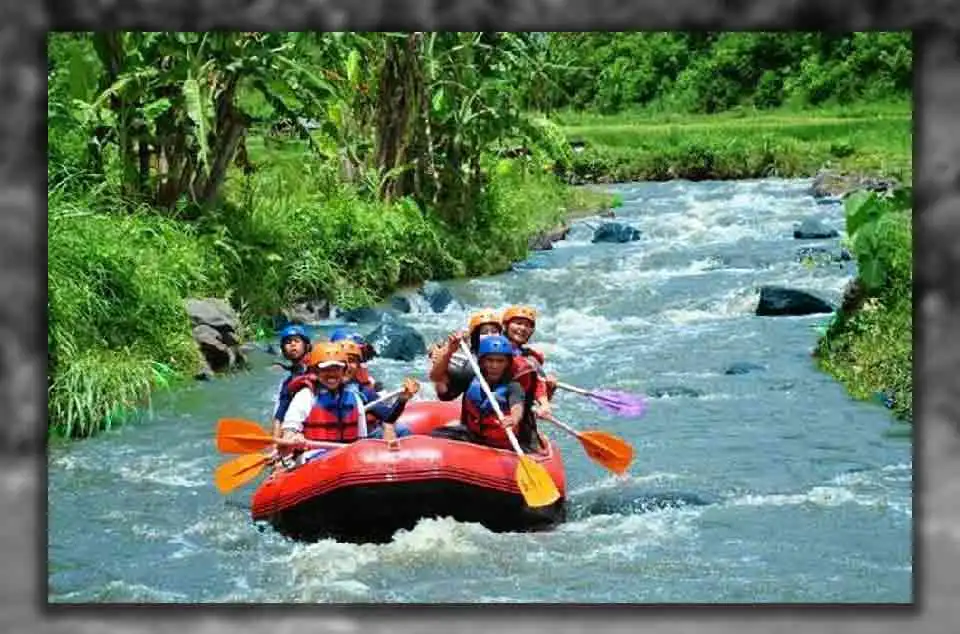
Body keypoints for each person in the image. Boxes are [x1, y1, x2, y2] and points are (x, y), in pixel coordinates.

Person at [279, 343, 418, 463]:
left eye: (336, 368)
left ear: (343, 371)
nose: (331, 374)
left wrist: (403, 399)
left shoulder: (355, 397)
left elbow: (362, 439)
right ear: (315, 371)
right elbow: (289, 430)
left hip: (349, 457)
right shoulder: (305, 396)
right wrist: (294, 437)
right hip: (315, 457)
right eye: (326, 369)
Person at [432, 335, 530, 451]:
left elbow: (517, 406)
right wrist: (449, 352)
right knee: (435, 436)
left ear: (507, 363)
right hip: (472, 436)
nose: (494, 366)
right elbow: (436, 377)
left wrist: (513, 419)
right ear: (482, 361)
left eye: (500, 361)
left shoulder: (513, 386)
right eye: (490, 360)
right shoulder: (471, 377)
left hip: (500, 445)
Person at [335, 339, 419, 440]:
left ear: (358, 366)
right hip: (329, 444)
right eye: (342, 361)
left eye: (352, 361)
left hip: (360, 442)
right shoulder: (316, 390)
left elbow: (388, 416)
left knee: (402, 430)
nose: (347, 366)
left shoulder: (363, 391)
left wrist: (402, 399)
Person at [428, 308, 503, 401]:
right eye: (484, 332)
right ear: (476, 337)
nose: (490, 335)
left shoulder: (510, 357)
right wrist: (447, 353)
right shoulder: (468, 363)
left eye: (494, 331)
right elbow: (436, 378)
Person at [270, 325, 312, 443]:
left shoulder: (319, 370)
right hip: (296, 434)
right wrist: (275, 444)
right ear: (283, 350)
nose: (293, 344)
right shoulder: (287, 383)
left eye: (297, 341)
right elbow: (279, 416)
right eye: (288, 342)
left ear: (306, 346)